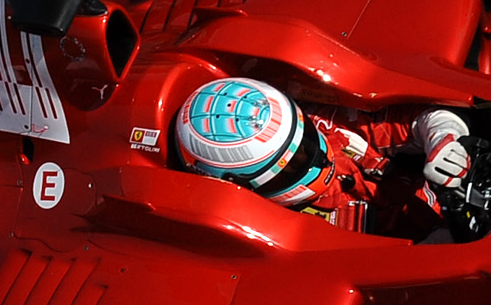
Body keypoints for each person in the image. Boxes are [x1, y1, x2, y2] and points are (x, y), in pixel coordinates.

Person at [173, 74, 472, 234]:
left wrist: (443, 137)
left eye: (306, 142)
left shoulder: (324, 124)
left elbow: (407, 119)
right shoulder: (281, 233)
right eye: (296, 164)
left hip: (437, 200)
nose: (321, 159)